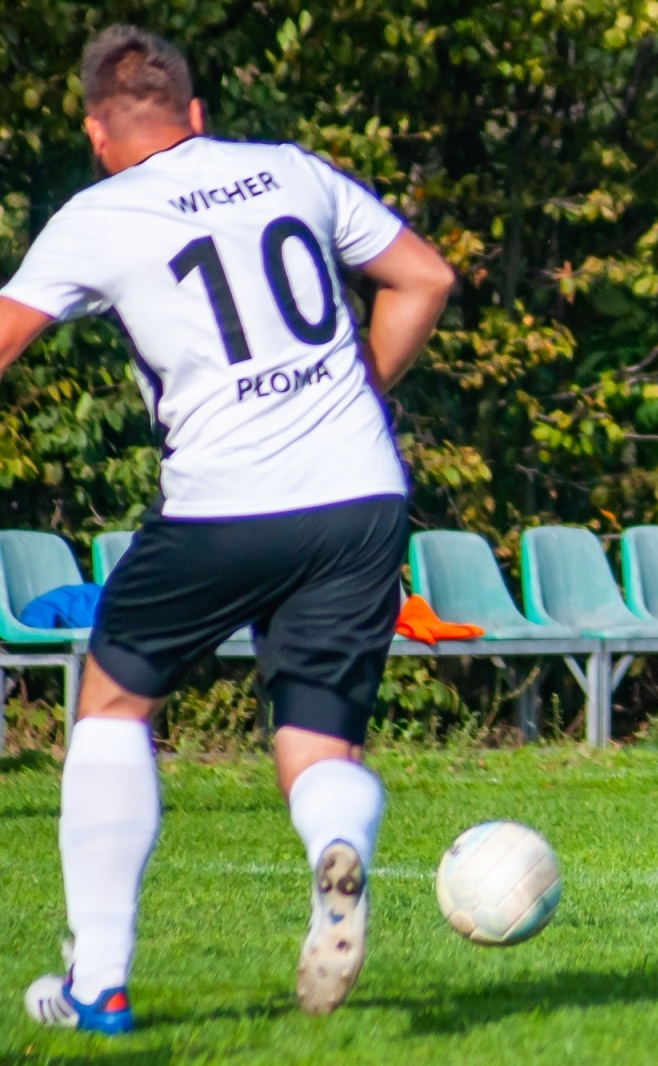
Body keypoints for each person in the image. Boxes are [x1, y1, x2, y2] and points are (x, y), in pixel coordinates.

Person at [0, 26, 454, 1032]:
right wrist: (353, 396)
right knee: (313, 737)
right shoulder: (288, 170)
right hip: (359, 494)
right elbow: (424, 279)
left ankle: (98, 985)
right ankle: (336, 850)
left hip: (223, 501)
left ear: (94, 132)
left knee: (113, 701)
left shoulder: (97, 212)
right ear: (195, 113)